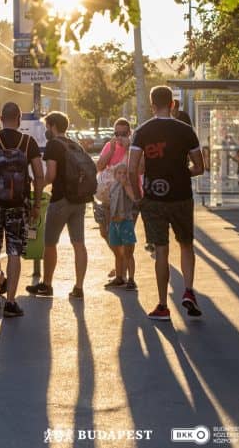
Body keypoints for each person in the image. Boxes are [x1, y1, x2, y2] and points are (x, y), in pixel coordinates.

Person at [129, 85, 205, 321]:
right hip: (182, 196)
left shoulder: (142, 132)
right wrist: (183, 175)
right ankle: (189, 291)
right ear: (172, 104)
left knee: (161, 250)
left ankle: (163, 305)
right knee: (186, 244)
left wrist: (139, 197)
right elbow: (200, 167)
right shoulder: (186, 130)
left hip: (153, 198)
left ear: (152, 105)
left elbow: (132, 169)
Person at [0, 102, 43, 317]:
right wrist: (36, 204)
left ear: (0, 118)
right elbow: (39, 175)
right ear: (19, 119)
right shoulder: (28, 142)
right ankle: (11, 302)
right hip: (18, 205)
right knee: (14, 251)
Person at [26, 111, 93, 299]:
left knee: (50, 243)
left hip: (60, 200)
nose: (46, 130)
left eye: (47, 126)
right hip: (79, 201)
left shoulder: (54, 145)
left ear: (53, 126)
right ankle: (79, 287)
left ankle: (47, 284)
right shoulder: (75, 145)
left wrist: (41, 184)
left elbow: (51, 175)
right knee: (79, 244)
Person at [95, 118, 132, 281]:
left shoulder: (133, 148)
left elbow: (139, 168)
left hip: (125, 199)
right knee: (104, 232)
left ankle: (122, 274)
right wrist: (110, 151)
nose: (119, 137)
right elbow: (99, 166)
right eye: (117, 133)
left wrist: (128, 148)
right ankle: (120, 262)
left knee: (121, 236)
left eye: (123, 134)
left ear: (129, 133)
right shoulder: (109, 146)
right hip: (107, 197)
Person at [104, 163, 138, 290]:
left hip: (126, 222)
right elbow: (108, 204)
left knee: (129, 252)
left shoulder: (128, 186)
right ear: (115, 174)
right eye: (119, 173)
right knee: (118, 253)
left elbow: (134, 198)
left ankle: (131, 279)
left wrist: (126, 184)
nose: (122, 175)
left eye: (125, 173)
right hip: (114, 223)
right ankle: (119, 277)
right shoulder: (112, 186)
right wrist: (108, 224)